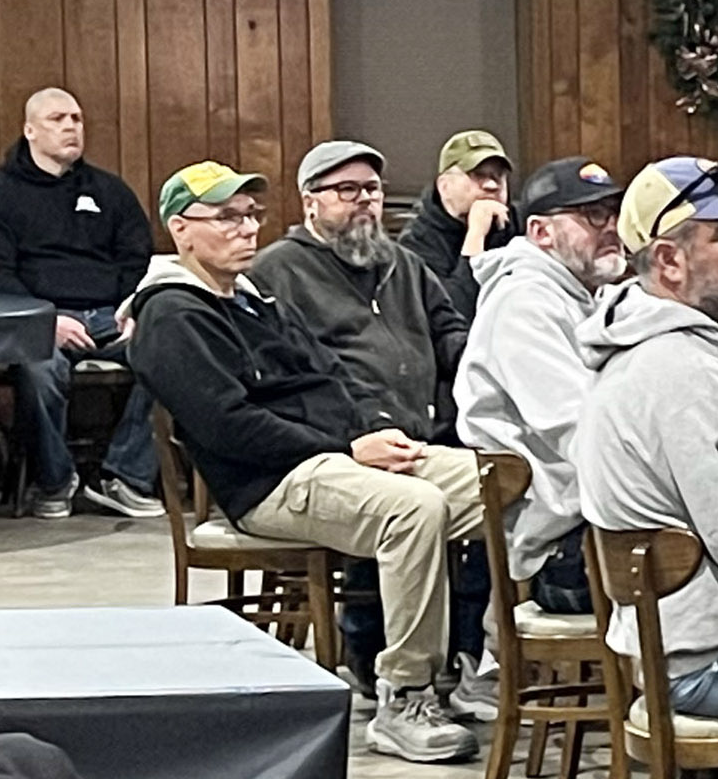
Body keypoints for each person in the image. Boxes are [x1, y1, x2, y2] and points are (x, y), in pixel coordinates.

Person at [124, 161, 483, 765]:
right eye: (227, 218)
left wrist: (374, 431)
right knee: (414, 509)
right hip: (271, 483)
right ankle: (405, 697)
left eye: (250, 216)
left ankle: (491, 659)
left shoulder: (255, 300)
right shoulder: (172, 316)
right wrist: (347, 449)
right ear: (181, 229)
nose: (247, 229)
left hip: (335, 455)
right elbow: (230, 427)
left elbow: (332, 376)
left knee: (500, 479)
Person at [572, 154, 718, 720]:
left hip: (684, 648)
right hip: (717, 657)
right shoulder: (682, 372)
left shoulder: (646, 347)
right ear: (670, 260)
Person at [0, 88, 163, 519]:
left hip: (112, 315)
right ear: (29, 130)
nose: (71, 127)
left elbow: (137, 259)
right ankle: (54, 482)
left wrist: (135, 307)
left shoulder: (110, 191)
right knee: (38, 369)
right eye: (58, 119)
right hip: (40, 318)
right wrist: (45, 319)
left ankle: (126, 477)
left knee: (173, 352)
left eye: (77, 118)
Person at [453, 156, 627, 615]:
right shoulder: (523, 305)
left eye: (614, 212)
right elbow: (581, 431)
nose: (611, 226)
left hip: (600, 519)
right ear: (540, 232)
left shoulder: (597, 298)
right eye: (593, 215)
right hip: (559, 546)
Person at [248, 139, 468, 441]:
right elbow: (290, 373)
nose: (364, 199)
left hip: (430, 433)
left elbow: (448, 333)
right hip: (344, 440)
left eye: (372, 188)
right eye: (348, 189)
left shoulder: (404, 263)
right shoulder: (277, 271)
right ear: (310, 203)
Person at [397, 130, 515, 323]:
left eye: (499, 176)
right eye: (478, 175)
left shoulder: (519, 224)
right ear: (444, 186)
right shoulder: (416, 243)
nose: (492, 185)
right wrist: (476, 236)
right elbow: (452, 315)